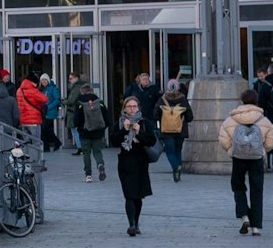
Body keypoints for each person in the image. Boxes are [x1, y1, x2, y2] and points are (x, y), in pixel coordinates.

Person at [222, 88, 273, 235]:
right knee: (257, 191)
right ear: (256, 101)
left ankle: (244, 216)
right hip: (256, 159)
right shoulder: (263, 120)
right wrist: (262, 150)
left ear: (242, 101)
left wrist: (231, 150)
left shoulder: (231, 119)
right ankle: (255, 227)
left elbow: (223, 139)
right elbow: (272, 141)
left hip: (238, 158)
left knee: (238, 187)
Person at [109, 96, 157, 236]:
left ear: (138, 108)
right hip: (126, 163)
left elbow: (151, 141)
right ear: (124, 108)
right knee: (129, 195)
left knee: (138, 196)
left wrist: (139, 132)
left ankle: (136, 223)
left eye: (134, 106)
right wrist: (124, 130)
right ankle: (131, 224)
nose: (132, 109)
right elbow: (114, 141)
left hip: (141, 162)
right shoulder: (119, 123)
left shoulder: (144, 123)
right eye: (129, 106)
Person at [70, 81, 108, 183]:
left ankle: (88, 175)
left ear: (82, 92)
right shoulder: (99, 102)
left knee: (86, 153)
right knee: (97, 151)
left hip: (84, 132)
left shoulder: (79, 103)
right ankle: (100, 164)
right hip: (98, 131)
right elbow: (106, 117)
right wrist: (103, 128)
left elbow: (76, 119)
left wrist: (78, 128)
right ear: (91, 91)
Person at [157, 79, 191, 182]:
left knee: (170, 152)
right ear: (178, 87)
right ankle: (177, 174)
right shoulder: (183, 99)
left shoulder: (162, 99)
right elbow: (190, 116)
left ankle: (176, 167)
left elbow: (155, 114)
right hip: (180, 130)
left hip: (166, 130)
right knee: (178, 150)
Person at [17, 74, 47, 146]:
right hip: (34, 121)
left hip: (23, 120)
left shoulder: (19, 90)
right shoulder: (33, 90)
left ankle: (27, 153)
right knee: (36, 143)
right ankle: (36, 154)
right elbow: (45, 99)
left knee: (26, 143)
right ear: (33, 82)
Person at [39, 73, 63, 152]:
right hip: (43, 113)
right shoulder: (41, 89)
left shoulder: (53, 88)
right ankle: (47, 147)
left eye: (45, 80)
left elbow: (57, 100)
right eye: (42, 80)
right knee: (45, 130)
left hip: (50, 112)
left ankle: (56, 142)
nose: (44, 81)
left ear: (48, 80)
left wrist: (48, 107)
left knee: (45, 129)